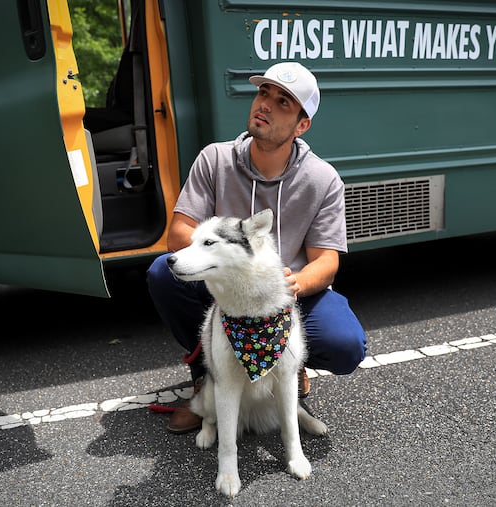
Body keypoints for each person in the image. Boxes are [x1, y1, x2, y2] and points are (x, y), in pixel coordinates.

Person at [147, 61, 367, 433]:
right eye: (263, 92)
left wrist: (292, 283)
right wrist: (232, 270)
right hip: (223, 287)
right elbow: (179, 234)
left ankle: (289, 366)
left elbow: (326, 262)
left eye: (283, 102)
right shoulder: (214, 159)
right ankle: (207, 377)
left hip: (285, 294)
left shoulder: (322, 179)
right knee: (162, 272)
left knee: (346, 344)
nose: (265, 104)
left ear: (302, 125)